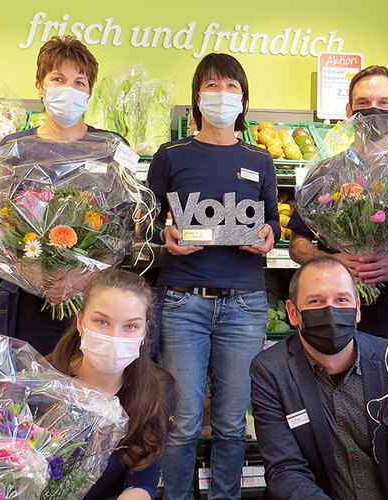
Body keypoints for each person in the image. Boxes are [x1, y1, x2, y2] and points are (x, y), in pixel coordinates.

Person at [146, 53, 280, 500]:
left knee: (230, 422)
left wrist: (267, 235)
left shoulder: (260, 159)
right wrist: (163, 231)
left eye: (231, 87)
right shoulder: (171, 155)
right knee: (182, 421)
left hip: (244, 303)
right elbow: (147, 218)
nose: (221, 96)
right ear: (197, 96)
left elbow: (271, 224)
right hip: (183, 301)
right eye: (212, 86)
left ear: (243, 99)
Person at [249, 256, 388, 500]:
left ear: (357, 310)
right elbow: (284, 470)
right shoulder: (271, 370)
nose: (330, 310)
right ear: (293, 313)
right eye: (316, 301)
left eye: (341, 300)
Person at [0, 35, 128, 356]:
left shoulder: (111, 146)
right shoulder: (14, 147)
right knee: (34, 388)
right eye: (58, 79)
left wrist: (83, 274)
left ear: (89, 91)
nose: (69, 89)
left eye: (79, 82)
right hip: (29, 298)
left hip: (94, 301)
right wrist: (35, 273)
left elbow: (123, 223)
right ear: (40, 86)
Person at [288, 65, 388, 338]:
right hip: (332, 319)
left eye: (383, 103)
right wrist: (330, 260)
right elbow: (297, 245)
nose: (373, 110)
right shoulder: (325, 174)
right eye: (363, 103)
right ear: (349, 111)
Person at [46, 268, 176, 500]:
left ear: (145, 330)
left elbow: (142, 480)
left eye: (130, 326)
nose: (115, 337)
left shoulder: (158, 389)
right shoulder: (41, 381)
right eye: (102, 322)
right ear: (80, 321)